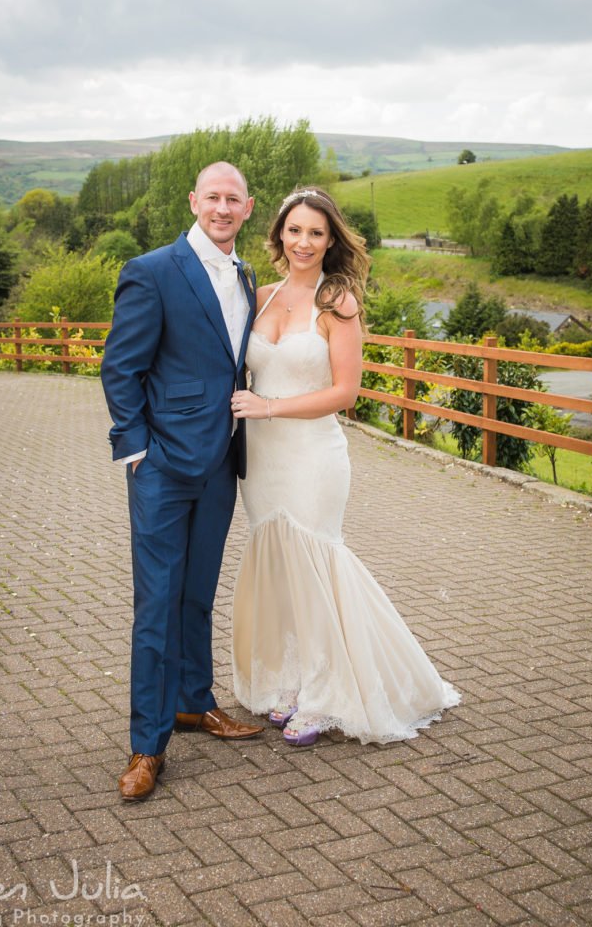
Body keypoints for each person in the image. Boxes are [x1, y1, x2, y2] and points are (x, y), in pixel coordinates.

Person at [230, 187, 460, 747]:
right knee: (280, 569)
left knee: (316, 565)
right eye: (294, 230)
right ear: (279, 233)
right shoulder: (260, 295)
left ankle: (328, 695)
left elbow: (345, 392)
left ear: (331, 240)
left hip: (312, 456)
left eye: (316, 232)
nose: (303, 242)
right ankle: (291, 681)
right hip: (262, 459)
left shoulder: (339, 302)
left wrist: (268, 406)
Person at [101, 161, 264, 802]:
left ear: (248, 208)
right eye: (213, 197)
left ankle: (196, 703)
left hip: (222, 462)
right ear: (194, 201)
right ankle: (147, 744)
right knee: (157, 606)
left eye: (234, 199)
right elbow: (121, 368)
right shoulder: (153, 270)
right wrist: (136, 449)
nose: (223, 208)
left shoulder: (245, 274)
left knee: (197, 594)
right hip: (163, 467)